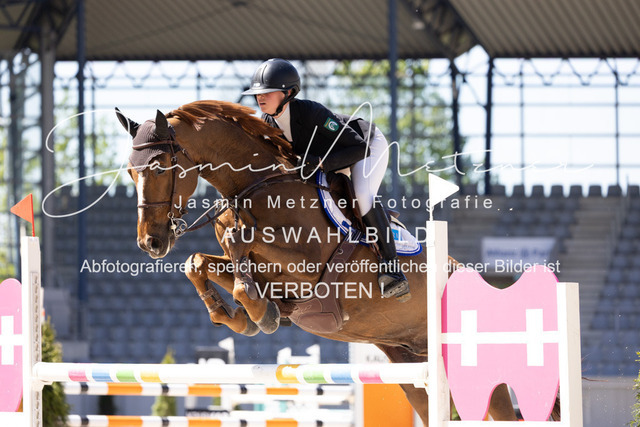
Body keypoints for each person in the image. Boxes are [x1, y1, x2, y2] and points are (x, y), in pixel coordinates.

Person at [242, 58, 409, 301]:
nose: (260, 97)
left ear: (288, 93)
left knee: (362, 195)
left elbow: (359, 148)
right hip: (332, 159)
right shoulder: (266, 124)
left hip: (366, 145)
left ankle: (392, 267)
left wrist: (320, 163)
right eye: (258, 93)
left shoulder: (311, 113)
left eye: (267, 92)